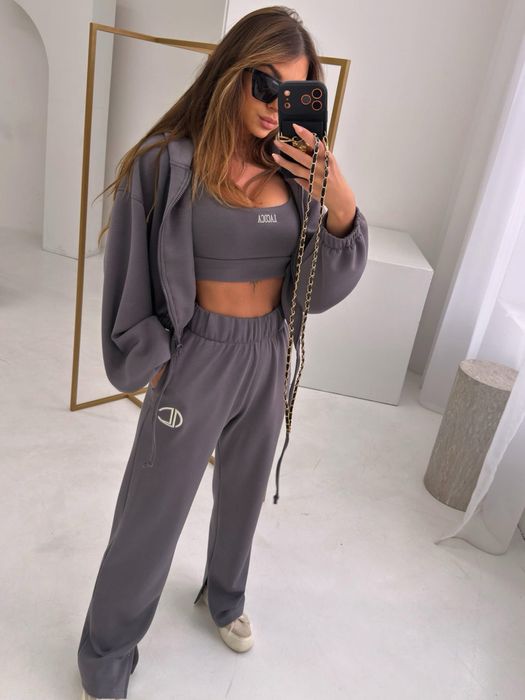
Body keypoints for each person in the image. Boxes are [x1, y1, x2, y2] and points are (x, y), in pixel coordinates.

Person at [78, 6, 368, 699]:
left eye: (292, 92)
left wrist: (339, 203)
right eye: (263, 84)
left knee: (244, 492)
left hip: (266, 352)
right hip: (196, 356)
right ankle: (107, 650)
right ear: (231, 73)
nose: (274, 105)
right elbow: (128, 275)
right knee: (153, 510)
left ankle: (225, 594)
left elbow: (317, 292)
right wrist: (153, 355)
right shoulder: (166, 165)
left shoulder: (298, 174)